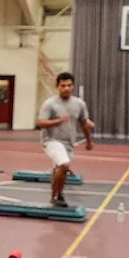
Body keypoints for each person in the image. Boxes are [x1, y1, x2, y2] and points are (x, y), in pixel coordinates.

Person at [34, 71, 93, 209]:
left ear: (73, 86)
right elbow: (41, 123)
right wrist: (58, 121)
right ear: (57, 87)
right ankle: (57, 195)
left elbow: (84, 123)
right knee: (64, 165)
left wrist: (89, 141)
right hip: (51, 141)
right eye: (63, 86)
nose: (66, 88)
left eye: (69, 85)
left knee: (60, 169)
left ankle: (56, 195)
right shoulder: (49, 104)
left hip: (68, 143)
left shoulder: (79, 104)